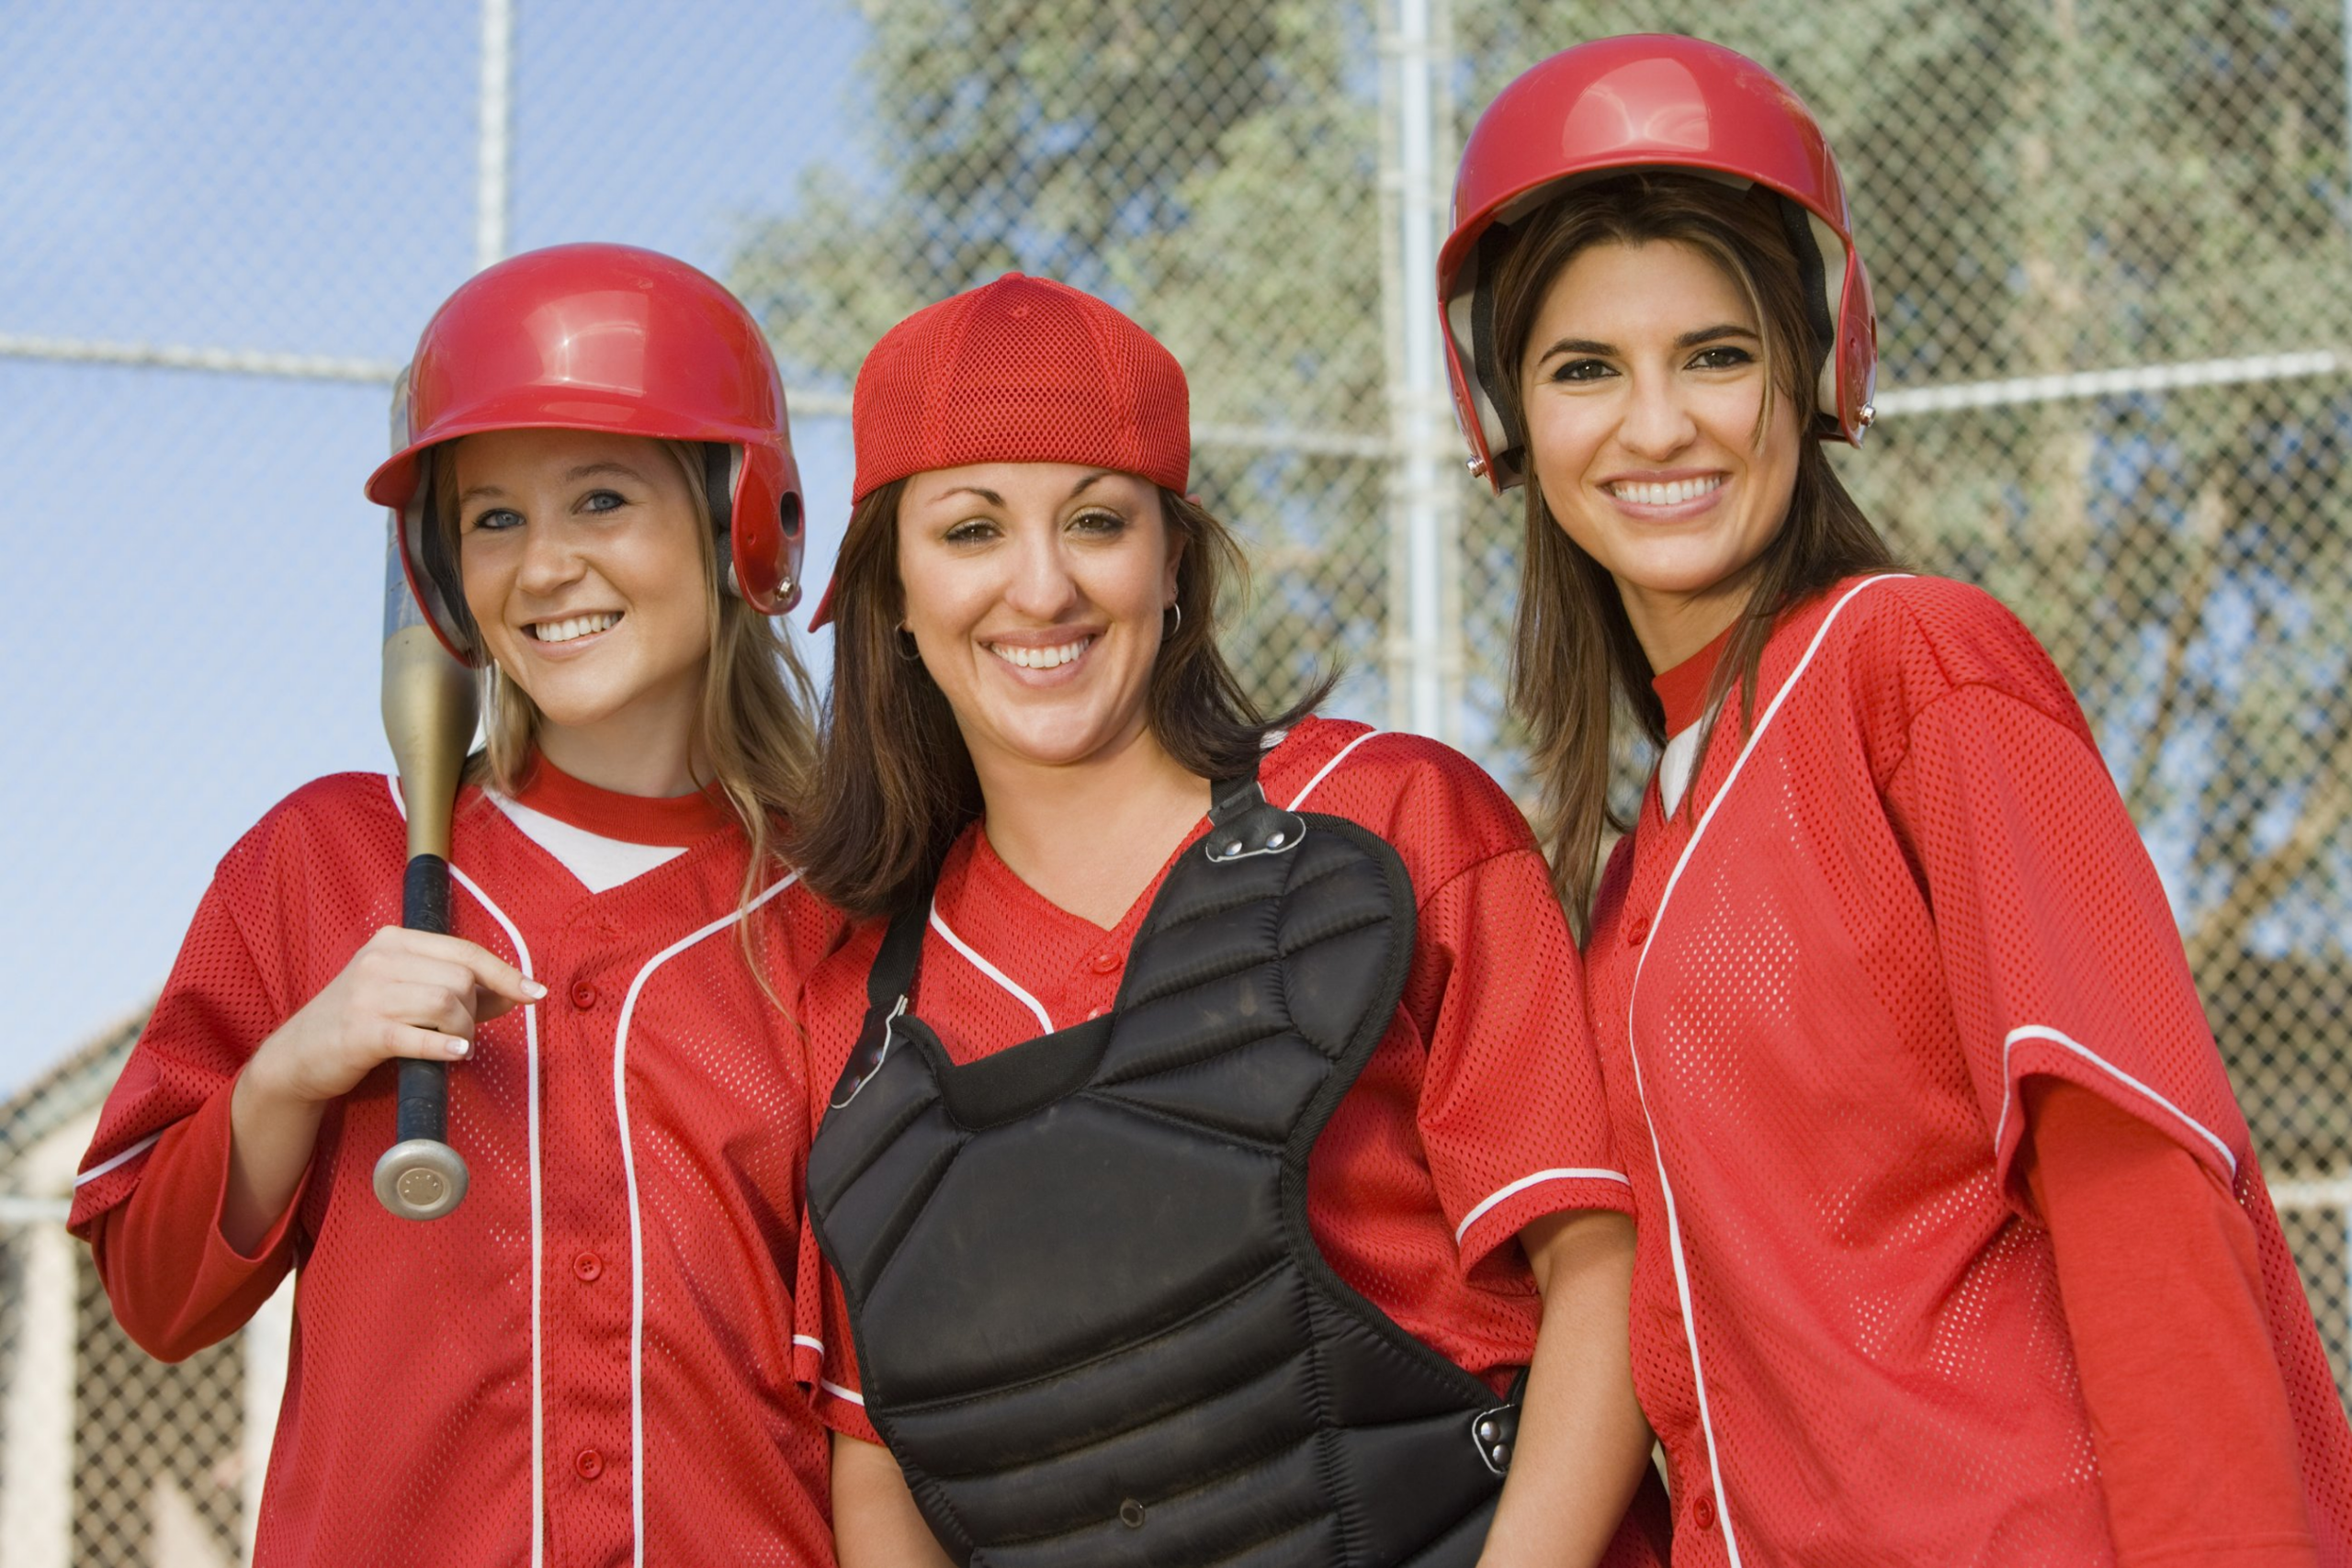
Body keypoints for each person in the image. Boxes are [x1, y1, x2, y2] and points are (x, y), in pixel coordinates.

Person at [1438, 33, 2352, 1565]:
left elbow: (2138, 1188)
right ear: (1512, 422)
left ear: (1816, 369)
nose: (1657, 425)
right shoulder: (1634, 862)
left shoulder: (1912, 664)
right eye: (1586, 368)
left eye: (1717, 355)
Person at [786, 272, 1672, 1567]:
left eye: (1096, 520)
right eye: (971, 531)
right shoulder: (867, 1009)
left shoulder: (1389, 820)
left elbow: (1597, 1267)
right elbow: (882, 1469)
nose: (1041, 588)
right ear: (893, 598)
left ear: (1172, 563)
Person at [69, 243, 849, 1565]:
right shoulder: (328, 859)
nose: (543, 565)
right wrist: (292, 1073)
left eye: (600, 499)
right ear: (442, 572)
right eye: (492, 518)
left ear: (742, 525)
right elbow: (156, 1295)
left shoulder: (838, 910)